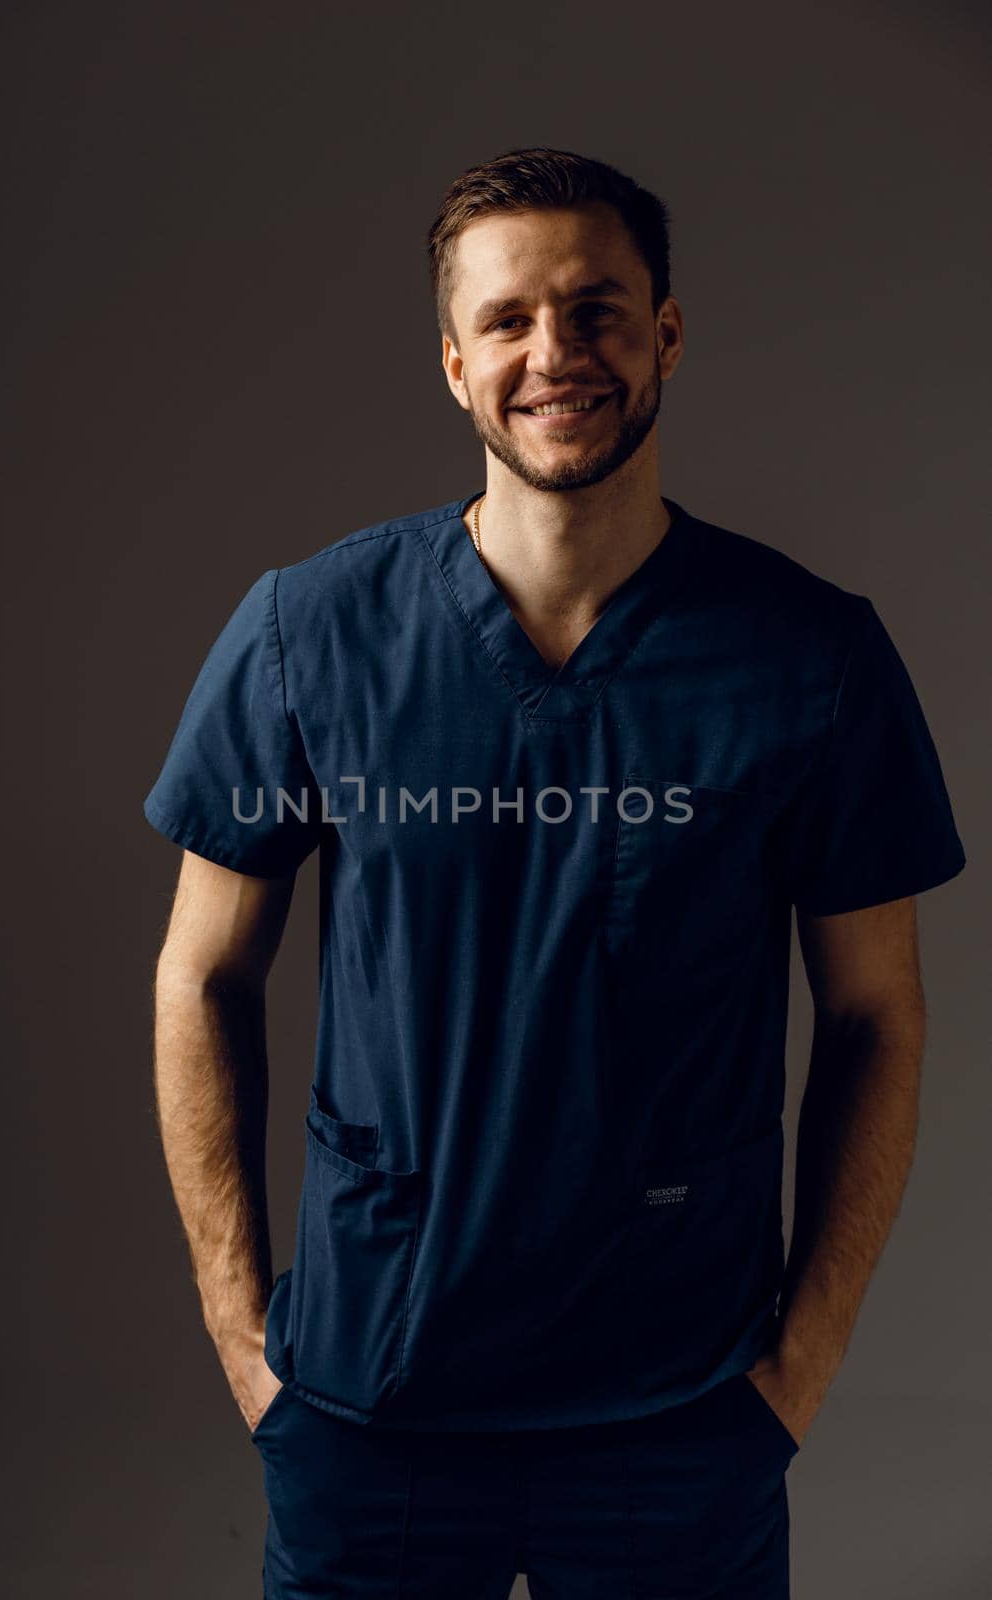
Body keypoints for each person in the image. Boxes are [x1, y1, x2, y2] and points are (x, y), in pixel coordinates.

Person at [144, 147, 966, 1598]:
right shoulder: (308, 634)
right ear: (455, 364)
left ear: (668, 333)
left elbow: (875, 1018)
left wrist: (804, 1358)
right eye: (512, 319)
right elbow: (202, 974)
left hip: (681, 1408)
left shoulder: (809, 657)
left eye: (597, 309)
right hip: (368, 1401)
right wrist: (234, 1325)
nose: (556, 353)